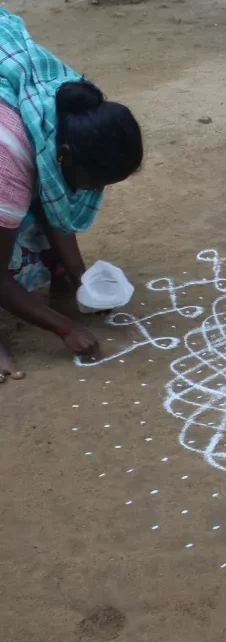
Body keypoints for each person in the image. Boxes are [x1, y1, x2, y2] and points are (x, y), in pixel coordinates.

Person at [0, 8, 143, 383]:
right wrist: (64, 328)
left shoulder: (68, 101)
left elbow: (51, 185)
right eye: (94, 182)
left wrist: (79, 274)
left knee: (31, 199)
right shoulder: (8, 161)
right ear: (64, 153)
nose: (95, 192)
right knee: (11, 216)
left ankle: (60, 270)